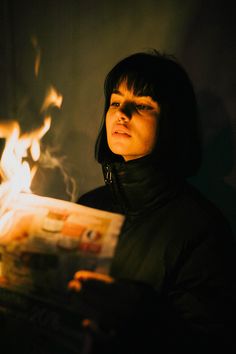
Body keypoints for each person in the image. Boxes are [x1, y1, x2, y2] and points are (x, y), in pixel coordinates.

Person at [68, 50, 236, 354]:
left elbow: (209, 341)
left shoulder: (201, 229)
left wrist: (138, 313)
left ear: (173, 122)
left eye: (143, 105)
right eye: (116, 102)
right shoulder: (89, 205)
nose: (122, 113)